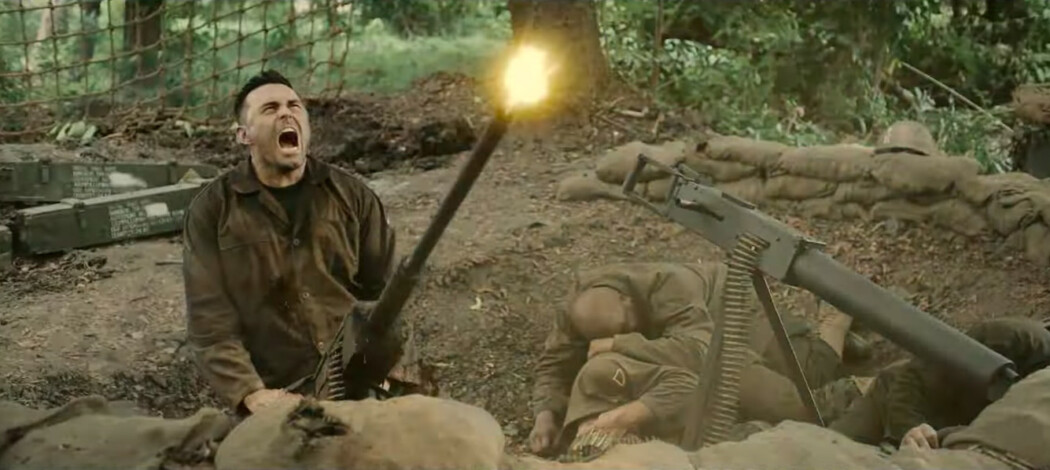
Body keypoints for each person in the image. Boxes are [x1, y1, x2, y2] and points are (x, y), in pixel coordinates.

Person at [181, 70, 401, 416]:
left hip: (361, 383)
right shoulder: (212, 211)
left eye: (294, 106)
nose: (286, 113)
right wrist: (250, 392)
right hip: (280, 395)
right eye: (270, 109)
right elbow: (210, 322)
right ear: (244, 135)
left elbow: (387, 296)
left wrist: (387, 373)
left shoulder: (353, 197)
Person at [528, 262, 716, 458]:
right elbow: (555, 366)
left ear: (627, 300)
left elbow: (700, 353)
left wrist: (619, 344)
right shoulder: (577, 309)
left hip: (727, 329)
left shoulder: (672, 287)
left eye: (626, 327)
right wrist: (546, 415)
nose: (624, 334)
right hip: (665, 356)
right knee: (600, 372)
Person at [829, 316, 1050, 449]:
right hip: (899, 400)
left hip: (949, 440)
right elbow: (913, 377)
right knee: (831, 455)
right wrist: (911, 427)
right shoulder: (1013, 338)